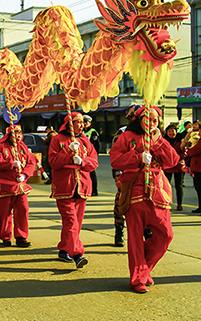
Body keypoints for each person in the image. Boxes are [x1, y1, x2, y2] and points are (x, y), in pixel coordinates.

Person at [110, 106, 179, 293]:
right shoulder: (127, 137)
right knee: (135, 239)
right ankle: (138, 278)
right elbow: (115, 160)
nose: (152, 122)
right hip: (135, 191)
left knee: (166, 235)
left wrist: (159, 142)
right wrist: (137, 157)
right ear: (139, 120)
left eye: (156, 119)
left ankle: (144, 269)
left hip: (158, 192)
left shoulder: (159, 138)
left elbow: (172, 162)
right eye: (148, 118)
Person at [49, 112, 99, 268]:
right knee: (71, 221)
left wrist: (82, 161)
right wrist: (67, 152)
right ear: (70, 124)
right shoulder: (57, 140)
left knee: (75, 222)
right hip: (65, 186)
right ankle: (77, 254)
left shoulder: (85, 141)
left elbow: (94, 162)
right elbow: (53, 162)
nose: (82, 125)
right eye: (78, 122)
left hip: (82, 186)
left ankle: (64, 248)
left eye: (83, 122)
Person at [0, 124, 36, 247]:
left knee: (23, 210)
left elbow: (31, 162)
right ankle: (6, 236)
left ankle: (21, 236)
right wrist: (10, 164)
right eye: (15, 133)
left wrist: (25, 175)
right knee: (5, 212)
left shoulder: (23, 147)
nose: (18, 135)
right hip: (5, 185)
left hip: (20, 186)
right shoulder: (1, 147)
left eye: (20, 133)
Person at [112, 103, 142, 247]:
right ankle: (119, 231)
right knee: (121, 203)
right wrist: (118, 177)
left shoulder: (150, 132)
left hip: (144, 176)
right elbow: (116, 157)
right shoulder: (122, 133)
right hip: (127, 176)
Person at [163, 124, 186, 211]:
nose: (171, 133)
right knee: (166, 185)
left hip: (178, 166)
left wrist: (180, 159)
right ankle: (166, 202)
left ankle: (179, 204)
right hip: (167, 166)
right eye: (169, 131)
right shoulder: (164, 141)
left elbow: (184, 152)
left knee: (178, 186)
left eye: (173, 131)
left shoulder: (181, 141)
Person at [83, 114, 100, 196]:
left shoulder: (93, 132)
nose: (85, 123)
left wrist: (94, 156)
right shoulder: (81, 132)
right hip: (83, 155)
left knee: (92, 172)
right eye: (84, 122)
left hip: (90, 155)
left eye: (87, 122)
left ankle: (94, 190)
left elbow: (96, 145)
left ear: (90, 123)